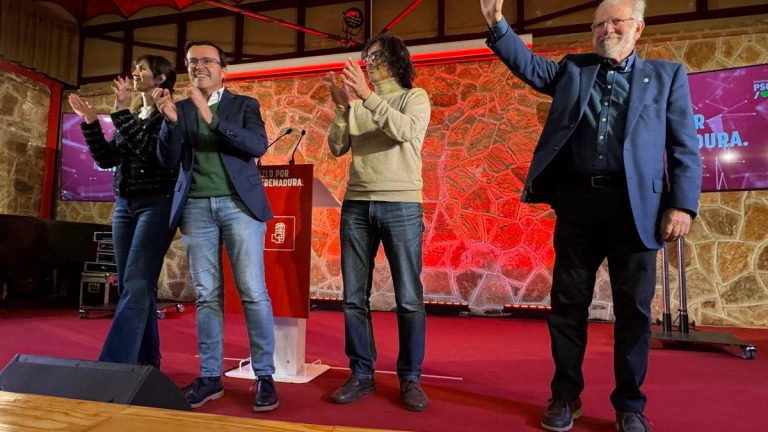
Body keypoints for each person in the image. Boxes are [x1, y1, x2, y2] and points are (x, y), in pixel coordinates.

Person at [479, 0, 702, 431]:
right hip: (579, 206)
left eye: (615, 22)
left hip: (637, 210)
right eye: (598, 24)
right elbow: (530, 67)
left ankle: (630, 405)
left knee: (634, 313)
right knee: (568, 307)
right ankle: (565, 396)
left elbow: (683, 146)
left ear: (637, 28)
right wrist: (496, 22)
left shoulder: (667, 76)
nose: (605, 30)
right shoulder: (574, 70)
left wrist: (682, 204)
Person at [152, 40, 278, 412]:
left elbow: (257, 146)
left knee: (253, 291)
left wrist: (212, 118)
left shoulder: (244, 105)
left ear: (224, 69)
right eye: (193, 61)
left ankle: (265, 375)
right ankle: (210, 377)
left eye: (207, 60)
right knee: (207, 295)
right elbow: (168, 160)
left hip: (240, 206)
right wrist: (170, 122)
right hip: (195, 208)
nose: (199, 66)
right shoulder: (180, 108)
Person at [324, 34, 432, 412]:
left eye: (375, 57)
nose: (368, 63)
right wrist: (342, 109)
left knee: (409, 298)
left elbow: (403, 131)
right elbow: (337, 147)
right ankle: (361, 373)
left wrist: (366, 97)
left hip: (401, 204)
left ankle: (410, 377)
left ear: (395, 58)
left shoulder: (413, 98)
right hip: (357, 204)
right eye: (366, 58)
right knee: (354, 297)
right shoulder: (358, 103)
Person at [68, 55, 178, 368]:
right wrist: (91, 122)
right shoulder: (136, 114)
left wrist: (119, 112)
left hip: (157, 203)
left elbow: (153, 153)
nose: (134, 73)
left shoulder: (170, 114)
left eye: (142, 68)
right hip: (125, 206)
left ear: (160, 78)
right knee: (135, 284)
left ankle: (114, 364)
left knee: (138, 281)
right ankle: (147, 360)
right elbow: (106, 159)